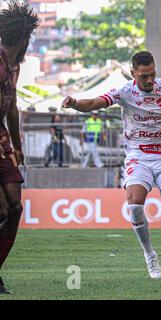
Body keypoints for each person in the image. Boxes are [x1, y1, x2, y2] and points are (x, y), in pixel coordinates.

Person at [62, 51, 161, 279]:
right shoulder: (124, 92)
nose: (149, 80)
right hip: (138, 157)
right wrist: (75, 103)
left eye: (152, 74)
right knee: (134, 204)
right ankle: (150, 256)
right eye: (144, 76)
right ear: (133, 73)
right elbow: (94, 103)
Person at [0, 1, 39, 294]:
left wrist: (17, 145)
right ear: (23, 39)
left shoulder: (13, 66)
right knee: (1, 210)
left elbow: (11, 106)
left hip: (1, 139)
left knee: (15, 206)